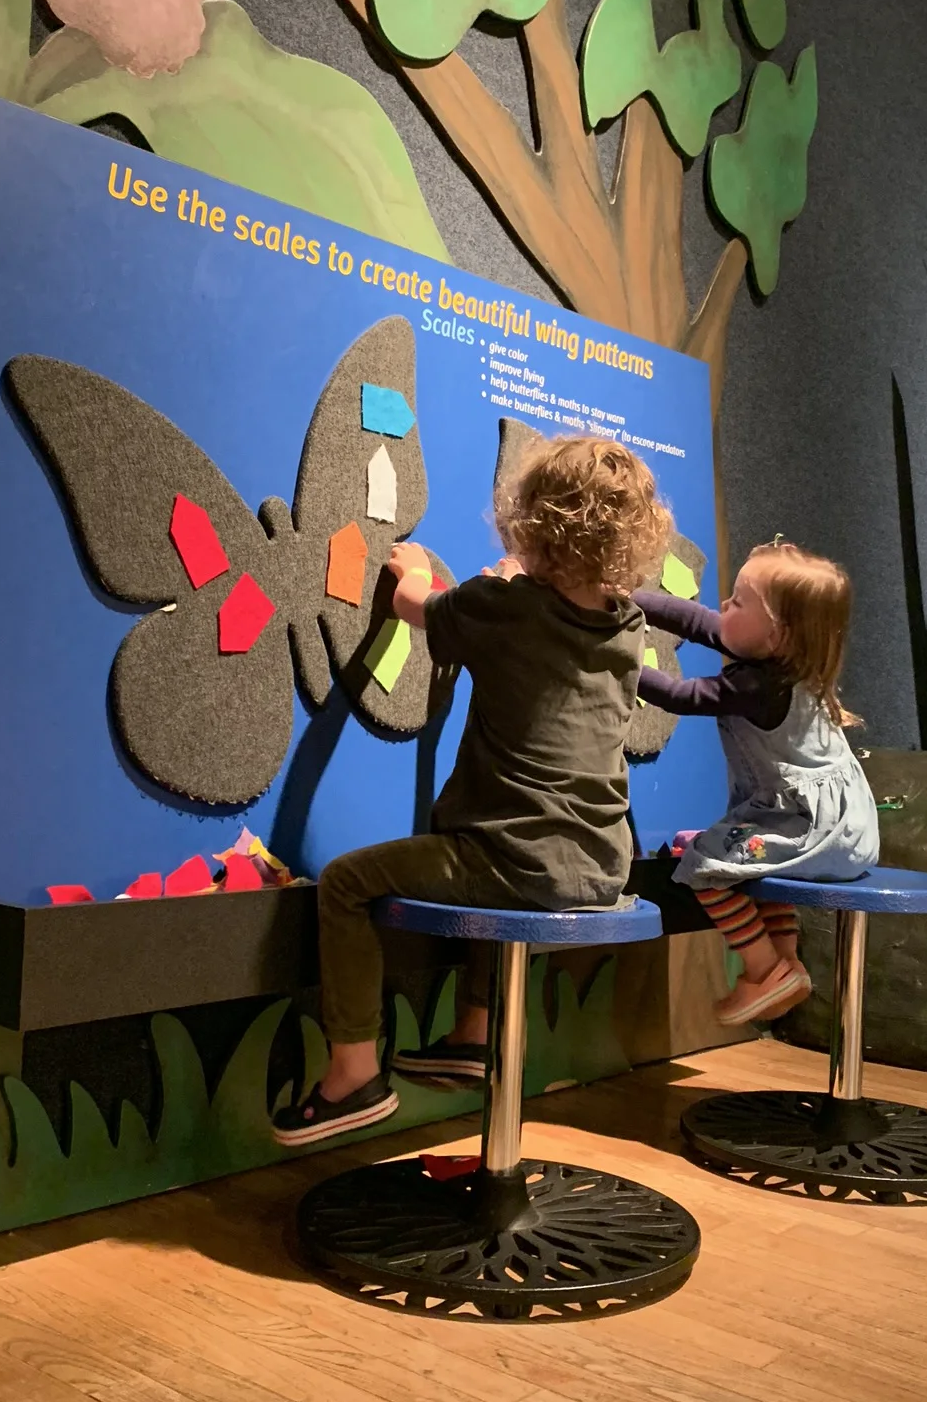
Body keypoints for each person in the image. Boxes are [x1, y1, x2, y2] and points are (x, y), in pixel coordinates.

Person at [272, 435, 670, 1146]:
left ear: (533, 525)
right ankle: (475, 1031)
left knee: (346, 882)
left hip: (508, 860)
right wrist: (518, 583)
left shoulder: (501, 606)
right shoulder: (627, 623)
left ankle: (353, 1073)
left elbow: (416, 603)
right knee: (500, 873)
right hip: (600, 866)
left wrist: (416, 570)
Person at [634, 540, 878, 1026]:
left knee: (704, 865)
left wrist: (616, 662)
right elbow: (697, 621)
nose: (724, 605)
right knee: (765, 872)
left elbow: (681, 696)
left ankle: (763, 968)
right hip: (849, 831)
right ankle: (785, 965)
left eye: (740, 601)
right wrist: (629, 597)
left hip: (807, 829)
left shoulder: (760, 686)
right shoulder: (787, 663)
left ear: (777, 633)